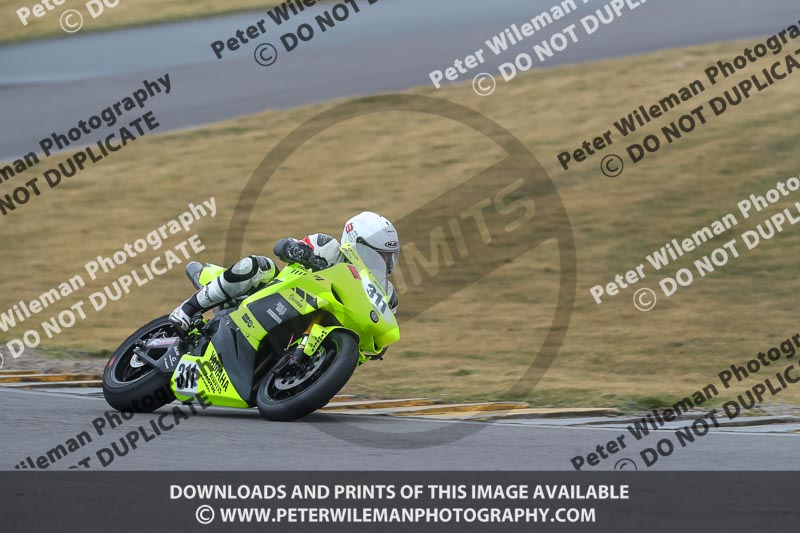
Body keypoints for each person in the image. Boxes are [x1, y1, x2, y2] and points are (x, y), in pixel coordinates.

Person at [169, 211, 400, 332]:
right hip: (273, 297)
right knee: (260, 265)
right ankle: (188, 309)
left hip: (320, 327)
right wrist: (302, 253)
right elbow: (281, 245)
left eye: (388, 257)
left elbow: (381, 332)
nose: (384, 262)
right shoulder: (327, 246)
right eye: (378, 254)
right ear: (355, 243)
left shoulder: (386, 295)